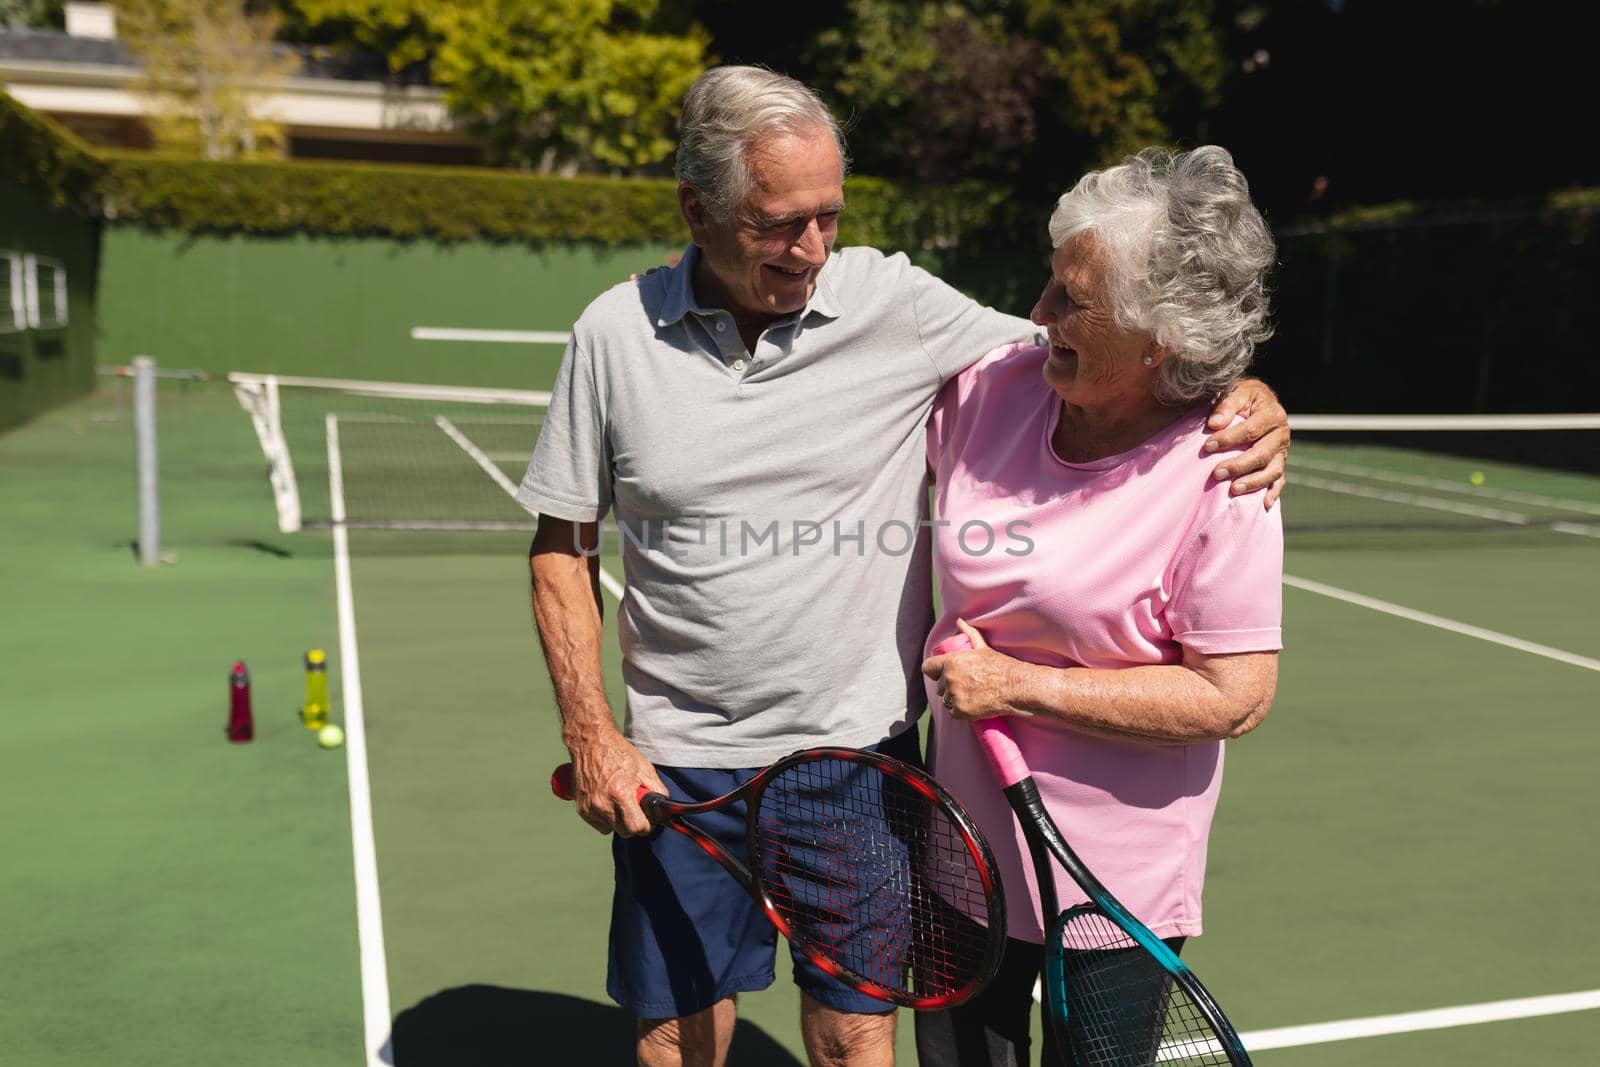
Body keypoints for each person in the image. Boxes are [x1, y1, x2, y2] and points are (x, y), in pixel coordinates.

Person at [518, 67, 1288, 1067]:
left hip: (859, 766)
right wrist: (592, 732)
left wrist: (1248, 390)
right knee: (674, 1037)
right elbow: (559, 548)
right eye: (777, 222)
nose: (810, 250)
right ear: (696, 211)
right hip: (679, 762)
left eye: (828, 216)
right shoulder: (612, 336)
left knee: (852, 1035)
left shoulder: (900, 306)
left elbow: (1119, 349)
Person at [915, 145, 1283, 1067]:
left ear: (1161, 337)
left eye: (1071, 300)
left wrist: (1017, 687)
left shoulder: (1223, 468)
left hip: (1117, 887)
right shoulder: (989, 388)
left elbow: (1234, 695)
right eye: (1049, 283)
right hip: (965, 853)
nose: (1039, 313)